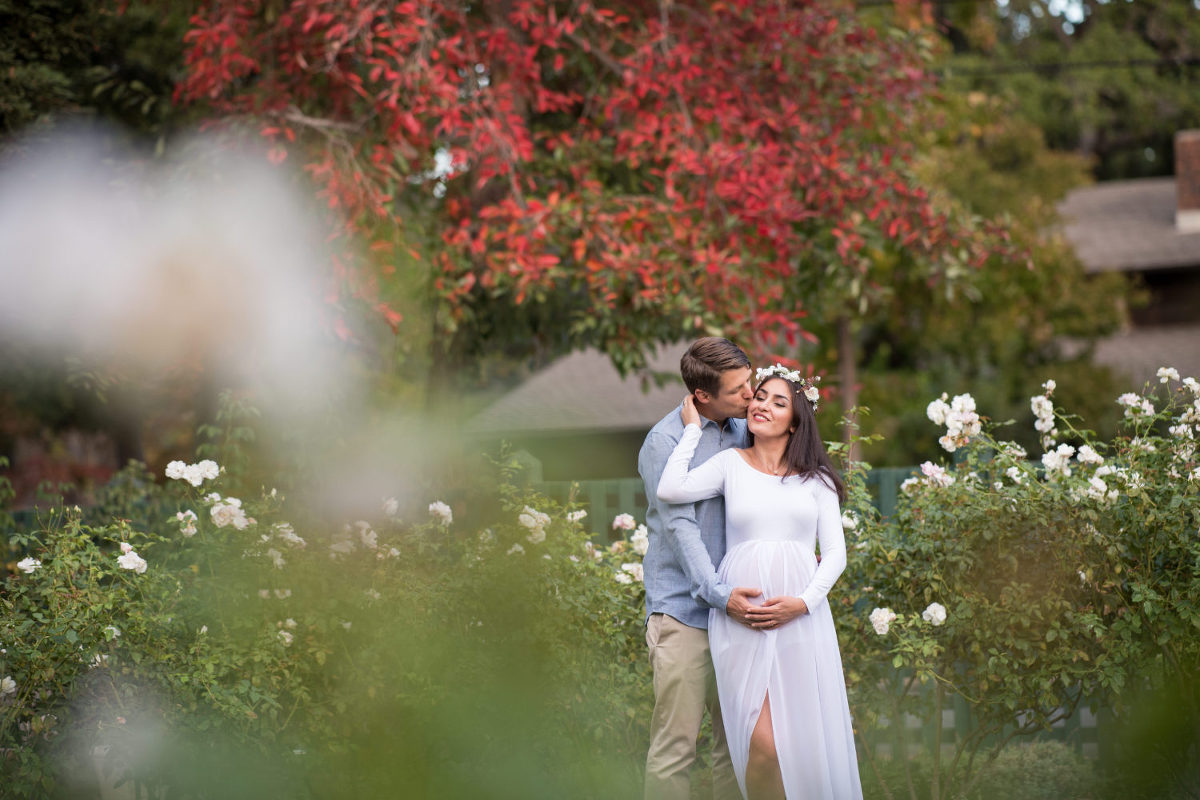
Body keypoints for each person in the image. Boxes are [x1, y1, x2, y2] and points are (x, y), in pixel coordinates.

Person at [657, 364, 863, 800]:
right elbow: (670, 491)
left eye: (777, 401)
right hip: (742, 619)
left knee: (801, 747)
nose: (761, 405)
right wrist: (691, 430)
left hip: (799, 622)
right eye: (760, 396)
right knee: (763, 747)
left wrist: (803, 603)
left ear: (795, 422)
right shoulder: (730, 464)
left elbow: (836, 554)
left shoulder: (816, 480)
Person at [639, 338, 762, 800]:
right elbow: (679, 528)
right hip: (684, 614)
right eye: (739, 390)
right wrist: (718, 593)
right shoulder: (664, 442)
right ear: (702, 397)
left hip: (736, 610)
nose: (750, 395)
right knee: (676, 749)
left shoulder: (743, 429)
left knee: (736, 750)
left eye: (749, 382)